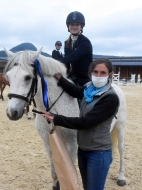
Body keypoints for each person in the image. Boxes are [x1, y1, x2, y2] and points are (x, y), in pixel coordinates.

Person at [42, 58, 119, 190]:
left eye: (103, 73)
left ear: (110, 75)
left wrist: (57, 119)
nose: (98, 76)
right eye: (95, 72)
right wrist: (60, 78)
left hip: (98, 153)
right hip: (83, 151)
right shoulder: (89, 89)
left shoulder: (110, 98)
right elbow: (75, 91)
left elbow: (86, 122)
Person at [59, 11, 93, 86]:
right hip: (72, 76)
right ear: (68, 26)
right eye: (71, 24)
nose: (74, 27)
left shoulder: (85, 42)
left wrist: (54, 63)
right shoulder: (67, 43)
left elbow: (73, 57)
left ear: (81, 26)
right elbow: (67, 63)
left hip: (84, 79)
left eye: (77, 24)